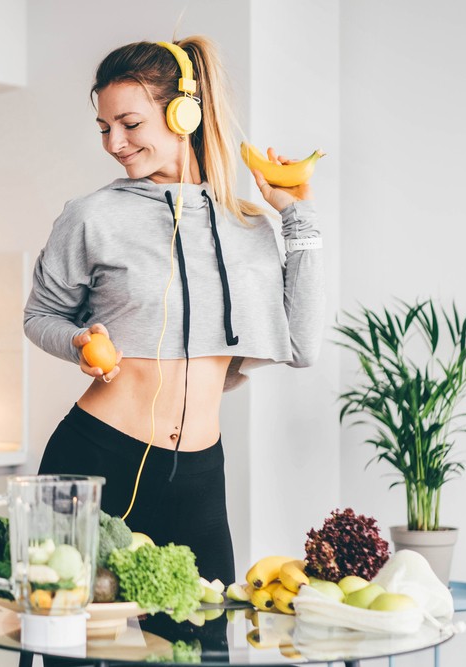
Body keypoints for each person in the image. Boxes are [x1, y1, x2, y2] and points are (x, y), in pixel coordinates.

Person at [23, 36, 324, 585]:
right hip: (98, 458)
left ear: (184, 114)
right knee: (71, 641)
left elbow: (303, 346)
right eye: (104, 127)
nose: (114, 142)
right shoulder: (92, 216)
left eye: (130, 124)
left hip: (199, 475)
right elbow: (40, 315)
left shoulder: (249, 226)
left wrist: (297, 217)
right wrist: (76, 343)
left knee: (203, 648)